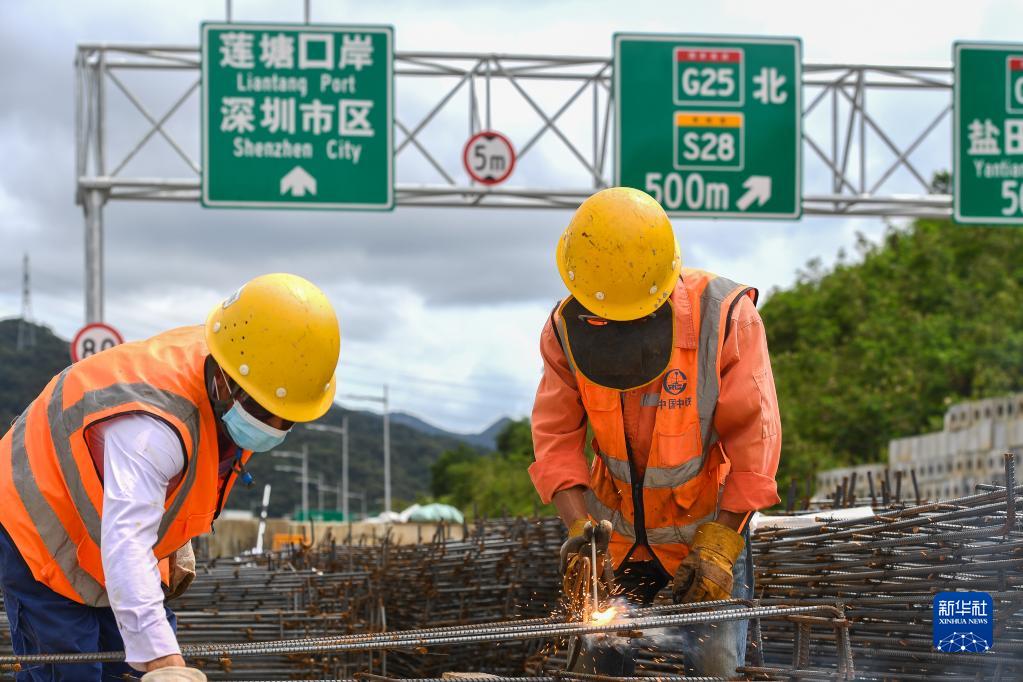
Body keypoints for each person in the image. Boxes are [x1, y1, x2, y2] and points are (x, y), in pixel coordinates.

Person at [0, 273, 341, 681]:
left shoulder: (242, 365)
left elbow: (179, 482)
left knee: (124, 666)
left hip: (105, 525)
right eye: (266, 411)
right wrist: (164, 662)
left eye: (287, 419)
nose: (274, 425)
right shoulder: (152, 428)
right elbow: (126, 544)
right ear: (225, 382)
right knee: (73, 670)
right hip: (41, 525)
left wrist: (173, 544)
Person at [529, 187, 782, 678]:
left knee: (714, 665)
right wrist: (581, 531)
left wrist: (719, 545)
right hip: (615, 535)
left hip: (706, 529)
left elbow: (755, 442)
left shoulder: (725, 318)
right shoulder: (564, 329)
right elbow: (556, 439)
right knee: (599, 659)